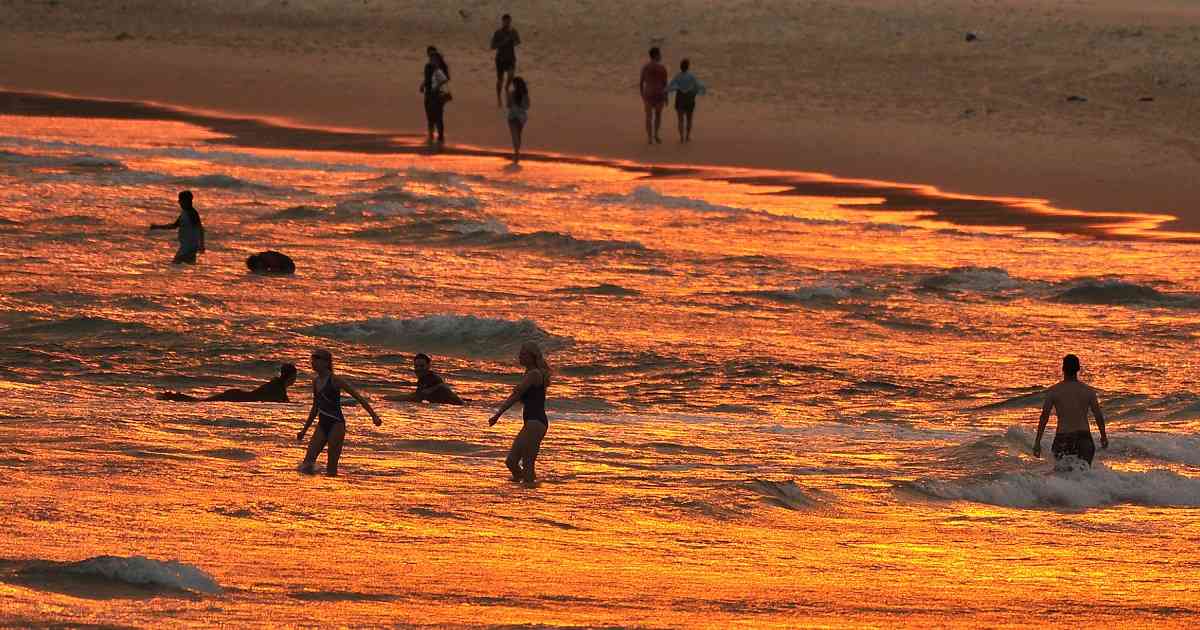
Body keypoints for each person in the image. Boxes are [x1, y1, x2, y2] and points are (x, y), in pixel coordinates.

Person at [297, 348, 383, 476]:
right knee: (307, 464)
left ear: (326, 363)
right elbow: (315, 407)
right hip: (322, 424)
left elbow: (358, 397)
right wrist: (304, 430)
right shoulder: (315, 382)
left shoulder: (334, 380)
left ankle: (330, 491)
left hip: (336, 424)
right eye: (312, 358)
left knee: (331, 467)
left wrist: (374, 416)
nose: (313, 361)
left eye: (317, 358)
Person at [487, 341, 550, 484]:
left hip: (536, 423)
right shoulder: (529, 373)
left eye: (523, 354)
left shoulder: (534, 374)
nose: (519, 356)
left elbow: (515, 396)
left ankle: (529, 496)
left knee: (527, 465)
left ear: (532, 356)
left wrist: (498, 414)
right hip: (531, 423)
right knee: (511, 462)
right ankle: (524, 490)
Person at [1033, 354, 1109, 469]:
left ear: (1063, 369)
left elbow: (1044, 417)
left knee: (1063, 478)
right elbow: (1098, 415)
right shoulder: (1088, 391)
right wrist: (1103, 436)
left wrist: (1037, 442)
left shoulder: (1054, 391)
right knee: (1084, 475)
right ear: (1078, 369)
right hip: (1084, 439)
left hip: (1063, 438)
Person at [158, 363, 297, 403]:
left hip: (238, 396)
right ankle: (171, 397)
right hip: (238, 398)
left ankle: (172, 397)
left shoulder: (275, 385)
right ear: (291, 377)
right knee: (200, 401)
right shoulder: (278, 389)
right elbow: (285, 403)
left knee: (201, 401)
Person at [150, 190, 205, 264]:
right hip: (187, 246)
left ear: (186, 201)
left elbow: (200, 228)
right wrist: (157, 227)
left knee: (174, 266)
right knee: (185, 268)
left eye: (180, 200)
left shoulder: (192, 213)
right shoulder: (185, 212)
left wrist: (201, 245)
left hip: (189, 247)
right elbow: (174, 226)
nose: (179, 202)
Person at [387, 353, 464, 404]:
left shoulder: (432, 379)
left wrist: (388, 399)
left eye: (422, 366)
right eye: (416, 366)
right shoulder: (424, 378)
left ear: (428, 366)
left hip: (457, 407)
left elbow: (416, 398)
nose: (419, 369)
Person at [665, 58, 707, 143]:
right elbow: (698, 86)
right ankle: (687, 136)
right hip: (689, 99)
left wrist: (670, 91)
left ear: (681, 67)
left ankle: (681, 137)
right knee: (689, 119)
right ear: (688, 67)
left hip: (680, 98)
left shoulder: (677, 76)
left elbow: (669, 87)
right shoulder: (691, 76)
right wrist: (701, 91)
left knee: (680, 120)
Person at [420, 46, 451, 145]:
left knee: (438, 116)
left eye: (433, 55)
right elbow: (427, 78)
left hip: (438, 95)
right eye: (429, 55)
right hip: (428, 94)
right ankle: (431, 136)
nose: (431, 57)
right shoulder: (427, 66)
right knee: (429, 116)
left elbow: (445, 79)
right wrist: (422, 85)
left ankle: (440, 137)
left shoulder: (440, 66)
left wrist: (437, 86)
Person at [490, 14, 521, 108]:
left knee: (511, 75)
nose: (507, 23)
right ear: (502, 21)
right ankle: (499, 98)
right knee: (500, 80)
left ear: (510, 21)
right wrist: (503, 42)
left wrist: (513, 42)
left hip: (511, 58)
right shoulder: (498, 32)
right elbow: (492, 46)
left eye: (508, 21)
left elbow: (518, 41)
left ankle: (507, 88)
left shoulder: (513, 31)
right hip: (500, 59)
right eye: (505, 21)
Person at [639, 47, 669, 144]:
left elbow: (641, 83)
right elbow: (665, 84)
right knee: (658, 116)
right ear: (656, 55)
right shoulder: (662, 68)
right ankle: (656, 135)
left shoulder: (645, 67)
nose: (661, 56)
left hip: (648, 94)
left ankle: (649, 138)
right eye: (659, 54)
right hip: (659, 95)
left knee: (648, 117)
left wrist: (642, 95)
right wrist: (666, 97)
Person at [505, 77, 530, 163]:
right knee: (517, 135)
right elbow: (526, 106)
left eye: (514, 84)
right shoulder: (524, 94)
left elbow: (508, 105)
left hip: (515, 116)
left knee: (515, 135)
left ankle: (516, 154)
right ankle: (516, 153)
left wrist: (510, 99)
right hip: (520, 117)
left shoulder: (518, 94)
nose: (514, 85)